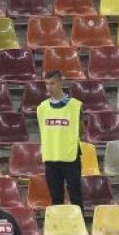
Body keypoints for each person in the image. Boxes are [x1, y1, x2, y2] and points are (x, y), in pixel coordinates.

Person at [38, 70, 83, 209]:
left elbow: (81, 130)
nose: (49, 87)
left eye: (52, 83)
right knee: (56, 198)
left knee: (76, 197)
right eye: (46, 84)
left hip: (70, 157)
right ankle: (57, 228)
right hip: (51, 158)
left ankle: (78, 228)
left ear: (60, 83)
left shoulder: (75, 105)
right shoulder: (42, 107)